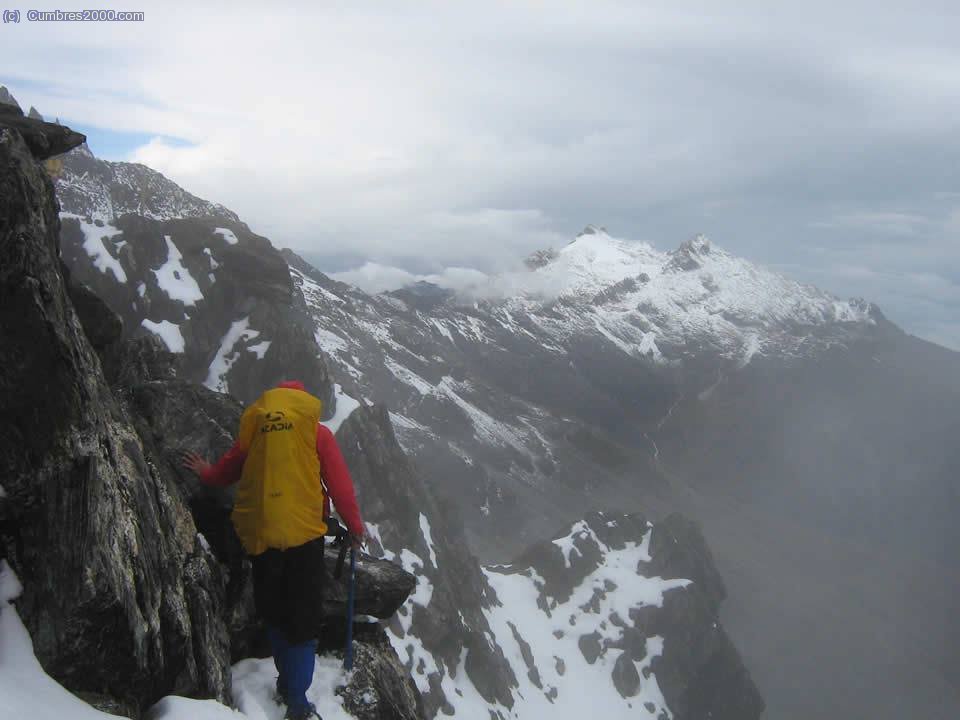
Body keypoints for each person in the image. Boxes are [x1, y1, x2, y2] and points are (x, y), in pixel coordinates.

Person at [183, 380, 366, 720]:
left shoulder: (258, 431)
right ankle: (297, 701)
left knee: (276, 613)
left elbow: (229, 469)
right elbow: (340, 487)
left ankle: (287, 683)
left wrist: (206, 473)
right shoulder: (316, 432)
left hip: (262, 535)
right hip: (304, 538)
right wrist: (355, 528)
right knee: (302, 620)